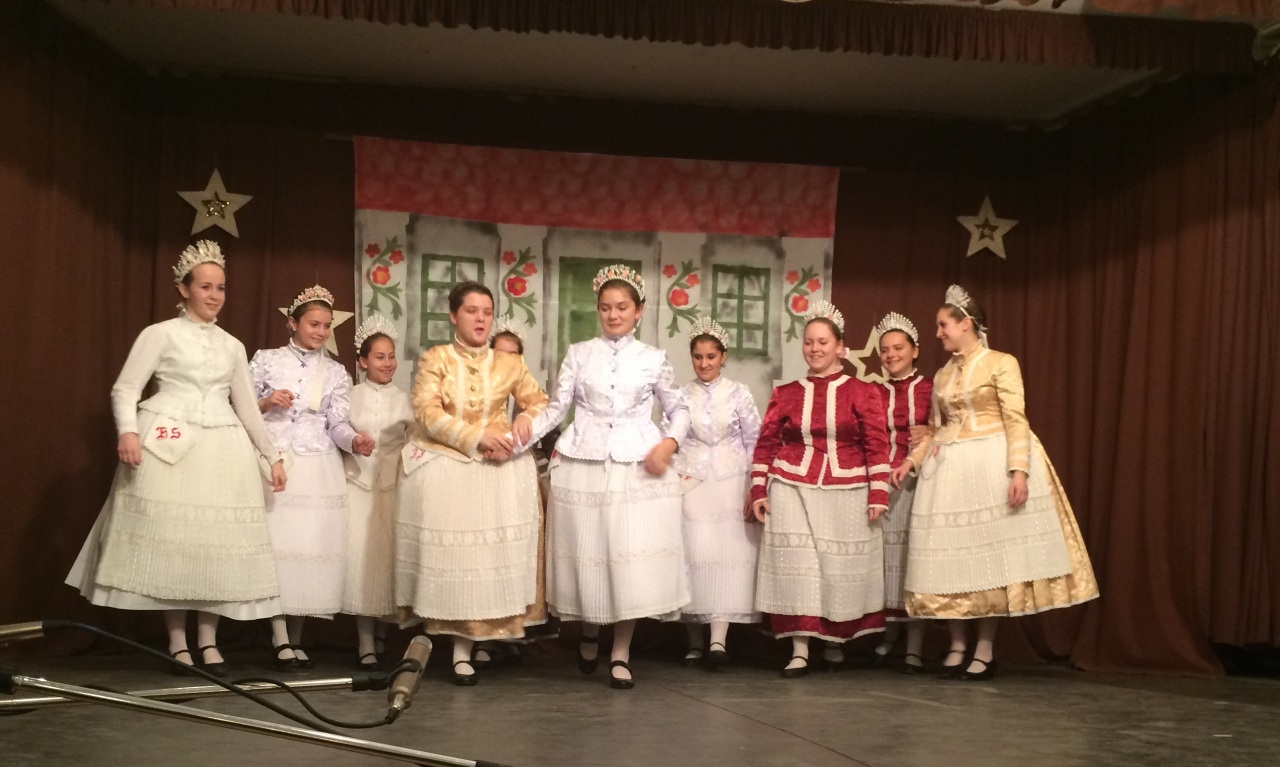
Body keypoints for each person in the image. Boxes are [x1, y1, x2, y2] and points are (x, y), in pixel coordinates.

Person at [66, 240, 286, 676]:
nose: (214, 295)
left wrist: (272, 456)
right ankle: (178, 642)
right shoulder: (160, 334)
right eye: (205, 286)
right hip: (169, 442)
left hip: (221, 447)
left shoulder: (232, 345)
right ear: (184, 289)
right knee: (176, 544)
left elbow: (246, 407)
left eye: (220, 287)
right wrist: (128, 431)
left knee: (213, 546)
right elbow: (126, 387)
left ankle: (209, 640)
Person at [893, 285, 1099, 680]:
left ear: (965, 324)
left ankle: (984, 649)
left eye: (943, 325)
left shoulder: (1001, 363)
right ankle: (957, 644)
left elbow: (1016, 418)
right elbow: (936, 429)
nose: (937, 333)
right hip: (949, 469)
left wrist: (1019, 470)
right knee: (953, 559)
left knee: (988, 561)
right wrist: (911, 462)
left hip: (989, 461)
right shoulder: (942, 374)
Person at [521, 263, 691, 689]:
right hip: (585, 462)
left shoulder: (653, 358)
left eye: (622, 307)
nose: (613, 315)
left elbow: (679, 410)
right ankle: (590, 630)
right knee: (591, 553)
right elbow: (556, 410)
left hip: (635, 465)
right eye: (605, 307)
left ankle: (620, 651)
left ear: (638, 311)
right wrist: (516, 438)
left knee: (627, 560)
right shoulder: (579, 353)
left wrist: (669, 444)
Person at [396, 282, 549, 686]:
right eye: (471, 311)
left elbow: (540, 402)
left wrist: (523, 420)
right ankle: (454, 647)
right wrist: (475, 437)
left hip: (496, 469)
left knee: (483, 561)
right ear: (453, 315)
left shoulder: (508, 363)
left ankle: (474, 645)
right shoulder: (436, 358)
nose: (481, 319)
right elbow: (426, 412)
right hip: (449, 463)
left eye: (487, 312)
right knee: (458, 562)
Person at [749, 301, 891, 678]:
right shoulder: (787, 393)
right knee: (801, 568)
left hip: (847, 489)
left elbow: (877, 444)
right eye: (809, 342)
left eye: (823, 342)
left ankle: (833, 642)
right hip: (791, 485)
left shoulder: (863, 391)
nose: (815, 349)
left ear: (840, 347)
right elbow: (767, 443)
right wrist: (758, 489)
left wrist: (878, 493)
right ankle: (800, 649)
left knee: (836, 568)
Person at [252, 285, 373, 670]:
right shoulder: (267, 360)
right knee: (278, 549)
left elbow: (336, 423)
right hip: (277, 459)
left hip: (318, 463)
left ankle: (296, 636)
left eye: (325, 326)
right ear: (293, 323)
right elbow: (240, 407)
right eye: (313, 324)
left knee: (306, 552)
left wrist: (354, 440)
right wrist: (266, 401)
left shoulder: (335, 372)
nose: (320, 332)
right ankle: (279, 635)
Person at [674, 317, 762, 670]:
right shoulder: (682, 394)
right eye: (698, 357)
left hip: (730, 479)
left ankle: (718, 642)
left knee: (726, 558)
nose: (704, 363)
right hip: (692, 482)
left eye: (711, 356)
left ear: (723, 357)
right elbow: (672, 438)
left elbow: (754, 440)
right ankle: (694, 641)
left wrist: (755, 484)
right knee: (694, 556)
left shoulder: (738, 392)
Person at [342, 313, 414, 669]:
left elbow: (415, 443)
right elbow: (337, 432)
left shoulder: (405, 400)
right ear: (363, 361)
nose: (387, 363)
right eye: (379, 357)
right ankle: (365, 641)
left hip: (392, 489)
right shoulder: (349, 396)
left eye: (391, 356)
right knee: (362, 565)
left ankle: (384, 631)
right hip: (357, 485)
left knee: (387, 565)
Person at [868, 312, 931, 674]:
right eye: (885, 350)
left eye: (898, 348)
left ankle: (915, 645)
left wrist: (931, 431)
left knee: (912, 562)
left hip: (917, 482)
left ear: (914, 350)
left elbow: (949, 427)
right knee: (883, 566)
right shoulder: (873, 391)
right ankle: (889, 635)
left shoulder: (930, 389)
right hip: (881, 484)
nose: (891, 355)